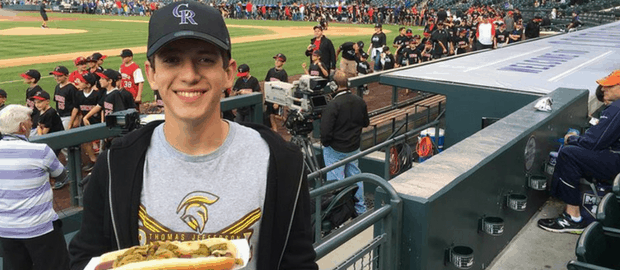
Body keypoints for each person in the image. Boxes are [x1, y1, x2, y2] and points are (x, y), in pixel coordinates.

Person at [69, 3, 318, 270]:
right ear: (152, 74)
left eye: (206, 59)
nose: (189, 75)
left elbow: (298, 262)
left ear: (228, 73)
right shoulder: (115, 164)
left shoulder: (281, 161)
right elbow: (86, 257)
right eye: (172, 60)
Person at [538, 70, 620, 234]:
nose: (603, 89)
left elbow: (594, 142)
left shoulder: (617, 108)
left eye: (608, 86)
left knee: (569, 154)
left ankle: (572, 218)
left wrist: (572, 139)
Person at [0, 105, 70, 270]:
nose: (32, 124)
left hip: (6, 230)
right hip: (41, 229)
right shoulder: (40, 151)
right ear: (22, 127)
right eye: (30, 121)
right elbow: (62, 176)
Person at [320, 70, 370, 215]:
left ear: (334, 86)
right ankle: (361, 210)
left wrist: (327, 144)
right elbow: (365, 123)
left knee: (336, 183)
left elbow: (325, 133)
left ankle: (338, 214)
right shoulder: (359, 101)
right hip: (354, 147)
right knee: (356, 178)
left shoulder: (333, 105)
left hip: (335, 150)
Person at [264, 53, 288, 132]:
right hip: (270, 96)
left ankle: (286, 121)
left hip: (278, 97)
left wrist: (277, 101)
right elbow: (266, 83)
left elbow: (284, 89)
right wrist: (266, 95)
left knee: (278, 115)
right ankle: (275, 130)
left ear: (283, 63)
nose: (277, 62)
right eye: (276, 60)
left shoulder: (283, 74)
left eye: (279, 61)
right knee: (271, 114)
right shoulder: (270, 71)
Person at [50, 66, 77, 131]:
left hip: (68, 117)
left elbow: (76, 107)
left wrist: (71, 121)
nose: (56, 78)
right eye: (55, 76)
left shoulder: (71, 88)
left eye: (59, 76)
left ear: (66, 76)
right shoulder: (57, 87)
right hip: (59, 116)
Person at [21, 69, 42, 137]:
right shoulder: (29, 89)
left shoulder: (38, 91)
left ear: (33, 80)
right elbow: (27, 103)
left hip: (36, 118)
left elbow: (41, 107)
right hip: (31, 117)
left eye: (27, 77)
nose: (24, 78)